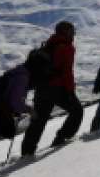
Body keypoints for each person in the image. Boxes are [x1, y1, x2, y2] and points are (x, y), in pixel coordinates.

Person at [20, 21, 82, 157]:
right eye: (72, 31)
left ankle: (27, 152)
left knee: (38, 121)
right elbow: (67, 72)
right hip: (58, 88)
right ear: (67, 32)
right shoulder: (66, 47)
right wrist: (70, 91)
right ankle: (62, 138)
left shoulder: (49, 43)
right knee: (77, 111)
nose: (74, 34)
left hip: (42, 88)